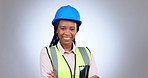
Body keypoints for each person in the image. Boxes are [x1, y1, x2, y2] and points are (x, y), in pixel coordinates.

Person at [40, 5, 100, 78]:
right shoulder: (46, 53)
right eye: (63, 28)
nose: (67, 33)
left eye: (72, 29)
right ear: (56, 30)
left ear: (76, 31)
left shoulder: (87, 53)